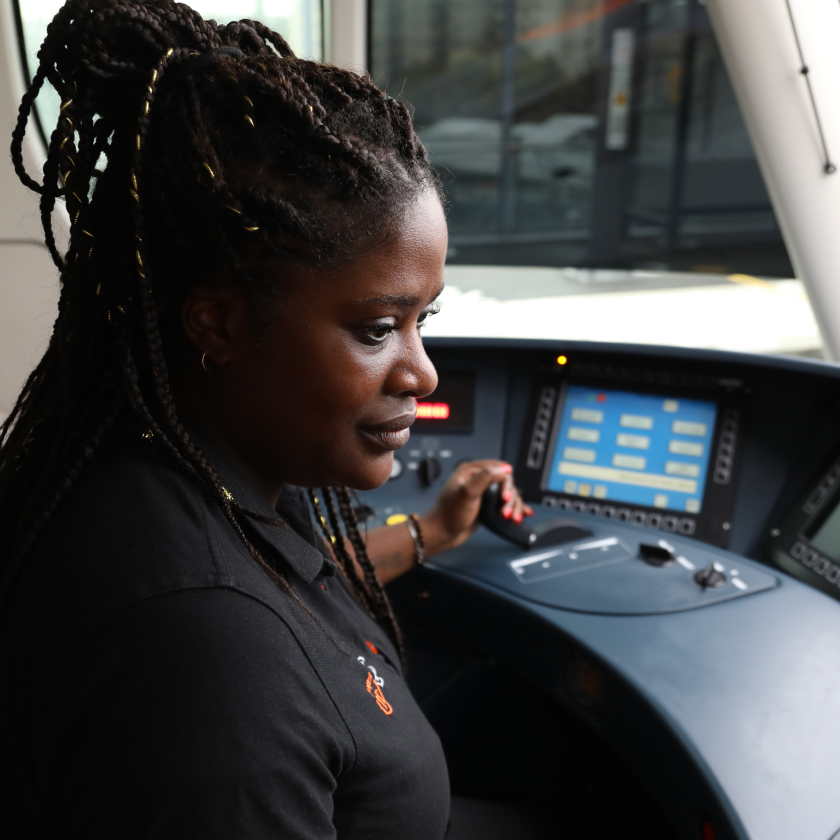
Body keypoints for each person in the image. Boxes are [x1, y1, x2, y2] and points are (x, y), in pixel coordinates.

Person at [0, 2, 533, 838]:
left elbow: (288, 593)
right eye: (375, 328)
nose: (420, 369)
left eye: (423, 319)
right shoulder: (203, 661)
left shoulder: (173, 476)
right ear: (217, 325)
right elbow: (248, 626)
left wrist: (429, 532)